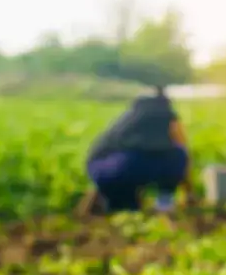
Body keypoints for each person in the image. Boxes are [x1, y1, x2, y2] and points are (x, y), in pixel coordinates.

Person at [81, 86, 195, 214]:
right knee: (177, 154)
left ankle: (113, 207)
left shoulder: (129, 119)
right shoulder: (167, 117)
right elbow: (182, 150)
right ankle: (164, 204)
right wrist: (189, 193)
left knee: (127, 209)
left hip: (101, 169)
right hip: (125, 167)